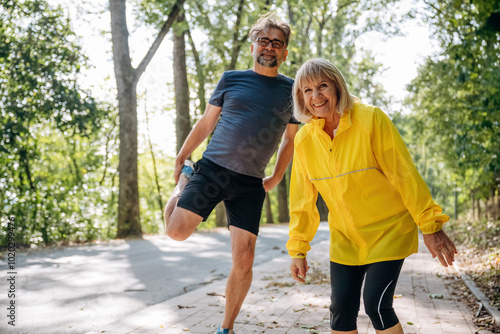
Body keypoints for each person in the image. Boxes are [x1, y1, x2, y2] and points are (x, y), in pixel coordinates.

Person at [286, 58, 457, 334]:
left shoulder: (370, 119)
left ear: (337, 88)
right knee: (340, 312)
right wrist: (298, 249)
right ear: (301, 98)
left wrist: (430, 226)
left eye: (323, 86)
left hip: (388, 231)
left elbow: (405, 175)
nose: (316, 96)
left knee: (376, 305)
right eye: (307, 90)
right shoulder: (305, 140)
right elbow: (302, 201)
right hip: (345, 239)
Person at [163, 13, 299, 334]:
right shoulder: (231, 79)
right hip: (211, 170)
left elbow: (291, 141)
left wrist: (277, 177)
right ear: (253, 45)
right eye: (263, 41)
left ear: (285, 53)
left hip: (250, 183)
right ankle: (185, 179)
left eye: (276, 43)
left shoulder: (292, 91)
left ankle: (226, 328)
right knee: (175, 233)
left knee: (244, 259)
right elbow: (206, 123)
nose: (269, 47)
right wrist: (183, 156)